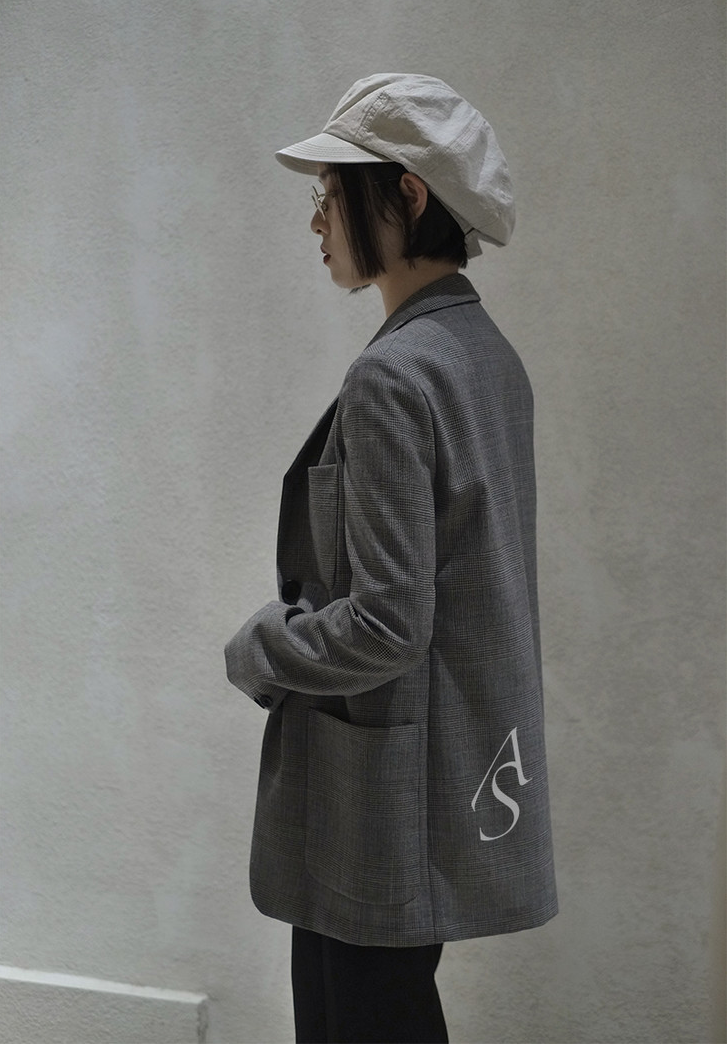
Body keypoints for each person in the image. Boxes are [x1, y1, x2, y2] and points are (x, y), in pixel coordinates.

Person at [225, 73, 558, 1044]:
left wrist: (261, 646)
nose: (316, 219)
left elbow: (385, 624)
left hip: (378, 798)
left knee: (356, 1019)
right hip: (445, 769)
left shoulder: (396, 374)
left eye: (331, 193)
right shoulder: (484, 355)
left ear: (406, 194)